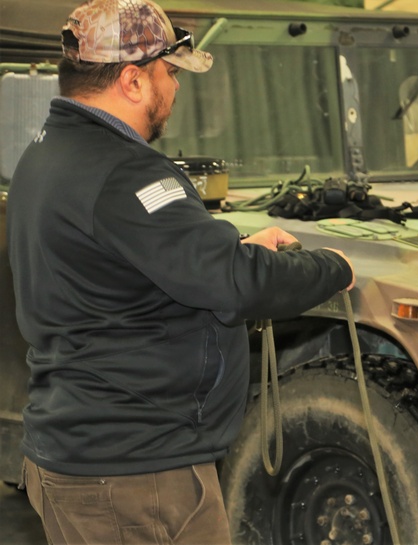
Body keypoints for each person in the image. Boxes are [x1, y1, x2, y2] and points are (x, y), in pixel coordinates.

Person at [6, 1, 355, 543]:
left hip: (89, 451)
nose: (174, 88)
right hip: (132, 476)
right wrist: (333, 267)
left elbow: (127, 261)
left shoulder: (47, 154)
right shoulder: (123, 170)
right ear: (132, 80)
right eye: (169, 72)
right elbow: (235, 284)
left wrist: (230, 243)